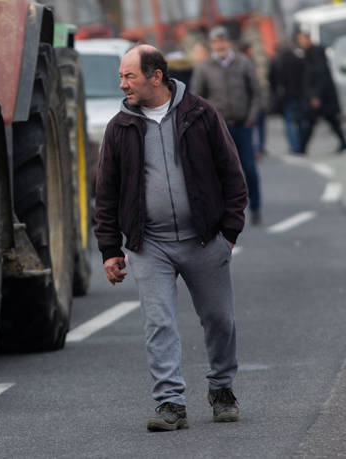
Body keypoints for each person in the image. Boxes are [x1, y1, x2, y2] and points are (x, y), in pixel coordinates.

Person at [94, 44, 247, 432]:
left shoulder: (201, 115)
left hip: (204, 240)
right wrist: (111, 249)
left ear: (156, 77)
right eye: (121, 76)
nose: (122, 84)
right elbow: (106, 194)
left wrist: (228, 233)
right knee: (158, 323)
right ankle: (170, 403)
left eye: (129, 76)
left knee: (219, 320)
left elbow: (232, 175)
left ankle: (222, 389)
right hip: (151, 246)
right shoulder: (120, 127)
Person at [190, 26, 262, 225]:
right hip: (218, 129)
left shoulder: (244, 63)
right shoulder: (204, 68)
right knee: (220, 171)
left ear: (228, 42)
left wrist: (251, 119)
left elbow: (256, 93)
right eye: (215, 41)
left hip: (242, 125)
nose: (219, 45)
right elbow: (196, 98)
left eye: (222, 40)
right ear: (212, 45)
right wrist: (205, 124)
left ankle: (255, 206)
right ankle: (226, 213)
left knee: (248, 167)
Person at [296, 31, 346, 154]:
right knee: (325, 121)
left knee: (316, 121)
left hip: (322, 97)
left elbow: (320, 75)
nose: (300, 43)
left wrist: (316, 96)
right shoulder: (309, 54)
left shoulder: (315, 53)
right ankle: (302, 148)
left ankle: (302, 148)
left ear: (308, 39)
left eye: (301, 40)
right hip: (319, 96)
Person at [268, 41, 306, 154]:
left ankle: (294, 146)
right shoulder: (298, 58)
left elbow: (272, 79)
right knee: (300, 120)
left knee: (289, 121)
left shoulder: (276, 61)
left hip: (285, 95)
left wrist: (275, 93)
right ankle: (300, 144)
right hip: (299, 94)